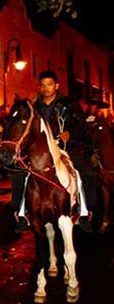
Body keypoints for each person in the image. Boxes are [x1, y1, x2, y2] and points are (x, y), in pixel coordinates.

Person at [13, 70, 94, 234]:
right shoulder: (34, 107)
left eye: (49, 84)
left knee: (87, 173)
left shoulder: (69, 104)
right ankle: (21, 213)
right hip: (40, 152)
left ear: (56, 85)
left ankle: (84, 212)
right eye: (43, 85)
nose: (46, 88)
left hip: (65, 148)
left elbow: (81, 126)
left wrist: (70, 134)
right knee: (19, 173)